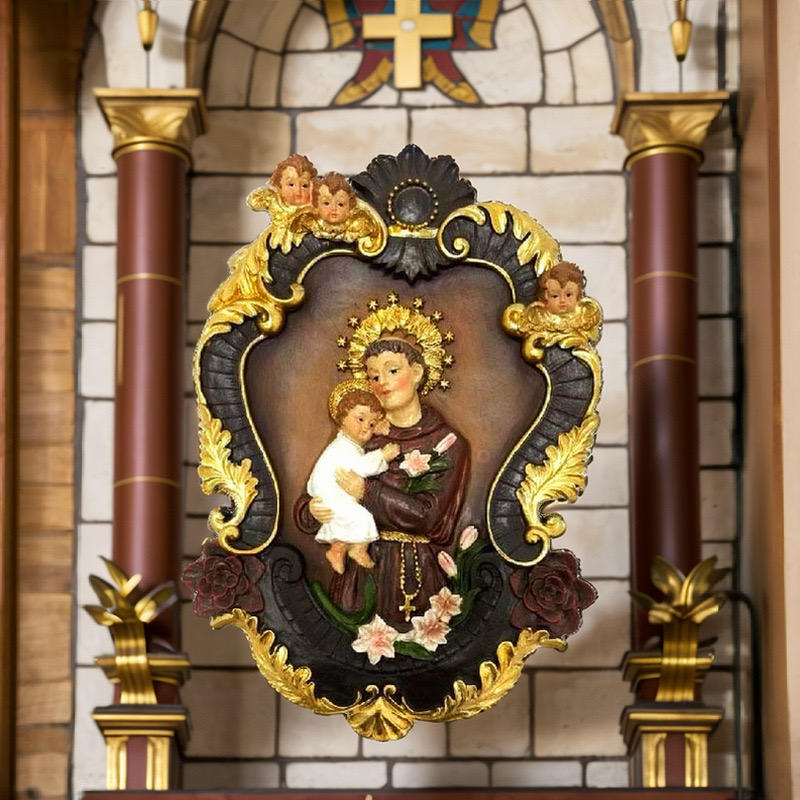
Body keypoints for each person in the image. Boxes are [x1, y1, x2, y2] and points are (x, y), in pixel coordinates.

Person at [296, 338, 470, 628]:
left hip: (414, 571)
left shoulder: (447, 443)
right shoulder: (361, 436)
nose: (382, 383)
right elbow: (325, 481)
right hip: (360, 575)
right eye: (374, 376)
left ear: (417, 372)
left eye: (392, 371)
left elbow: (430, 517)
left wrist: (368, 492)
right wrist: (311, 510)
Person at [308, 380, 400, 574]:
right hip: (331, 497)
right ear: (342, 418)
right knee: (362, 517)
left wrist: (378, 428)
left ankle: (337, 550)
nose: (366, 428)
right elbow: (361, 467)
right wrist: (383, 456)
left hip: (333, 496)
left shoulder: (349, 443)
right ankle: (358, 549)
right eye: (360, 419)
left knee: (347, 522)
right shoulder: (343, 447)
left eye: (371, 424)